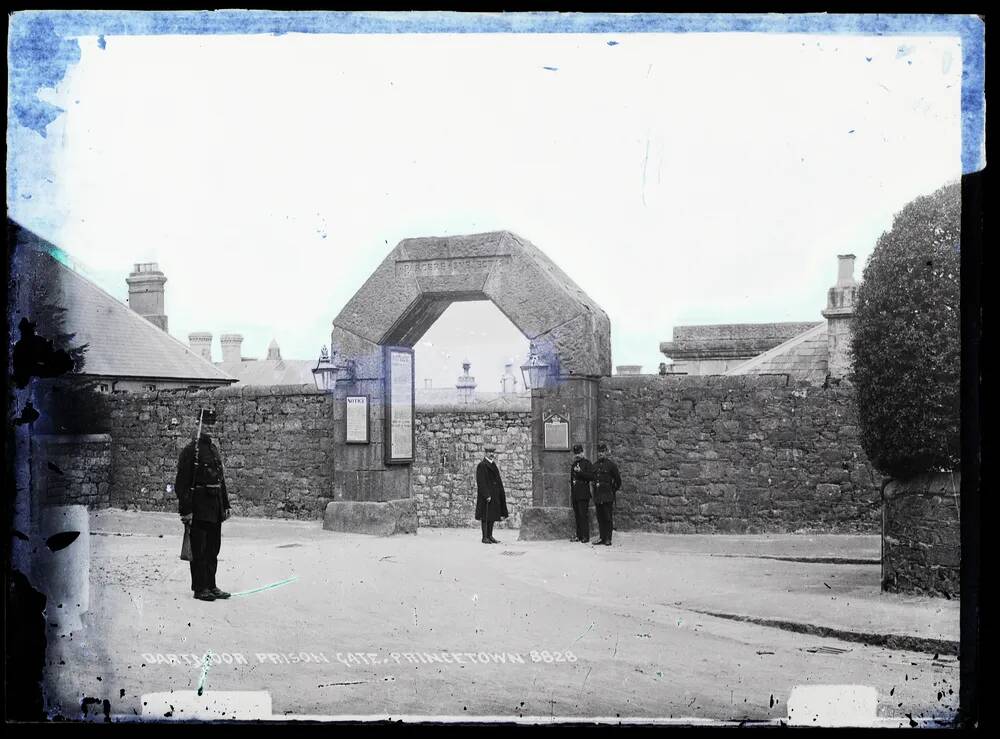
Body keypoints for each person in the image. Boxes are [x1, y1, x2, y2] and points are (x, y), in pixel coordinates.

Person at [175, 408, 232, 601]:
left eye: (211, 424)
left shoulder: (213, 450)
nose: (209, 427)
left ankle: (211, 585)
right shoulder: (191, 451)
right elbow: (181, 484)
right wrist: (186, 511)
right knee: (199, 549)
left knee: (213, 549)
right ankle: (200, 588)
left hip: (214, 508)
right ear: (197, 425)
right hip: (198, 508)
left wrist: (225, 504)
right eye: (205, 423)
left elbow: (221, 480)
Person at [475, 445, 509, 544]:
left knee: (492, 516)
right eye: (489, 452)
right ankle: (484, 537)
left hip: (494, 495)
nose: (491, 454)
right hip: (487, 496)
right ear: (485, 453)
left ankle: (490, 536)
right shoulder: (482, 465)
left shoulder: (493, 464)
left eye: (492, 452)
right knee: (485, 517)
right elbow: (481, 482)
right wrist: (486, 495)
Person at [592, 443, 621, 546]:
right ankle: (602, 537)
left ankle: (608, 538)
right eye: (599, 452)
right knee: (600, 518)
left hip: (607, 495)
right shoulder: (594, 465)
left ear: (606, 452)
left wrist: (612, 490)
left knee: (608, 518)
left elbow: (618, 481)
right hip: (598, 496)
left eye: (602, 452)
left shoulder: (611, 465)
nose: (600, 454)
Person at [569, 444, 594, 543]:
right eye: (576, 453)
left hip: (583, 494)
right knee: (577, 516)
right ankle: (579, 536)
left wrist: (580, 472)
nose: (577, 455)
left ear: (582, 452)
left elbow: (591, 476)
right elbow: (572, 480)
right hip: (575, 494)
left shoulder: (587, 463)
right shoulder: (574, 464)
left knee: (583, 515)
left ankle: (585, 536)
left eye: (579, 453)